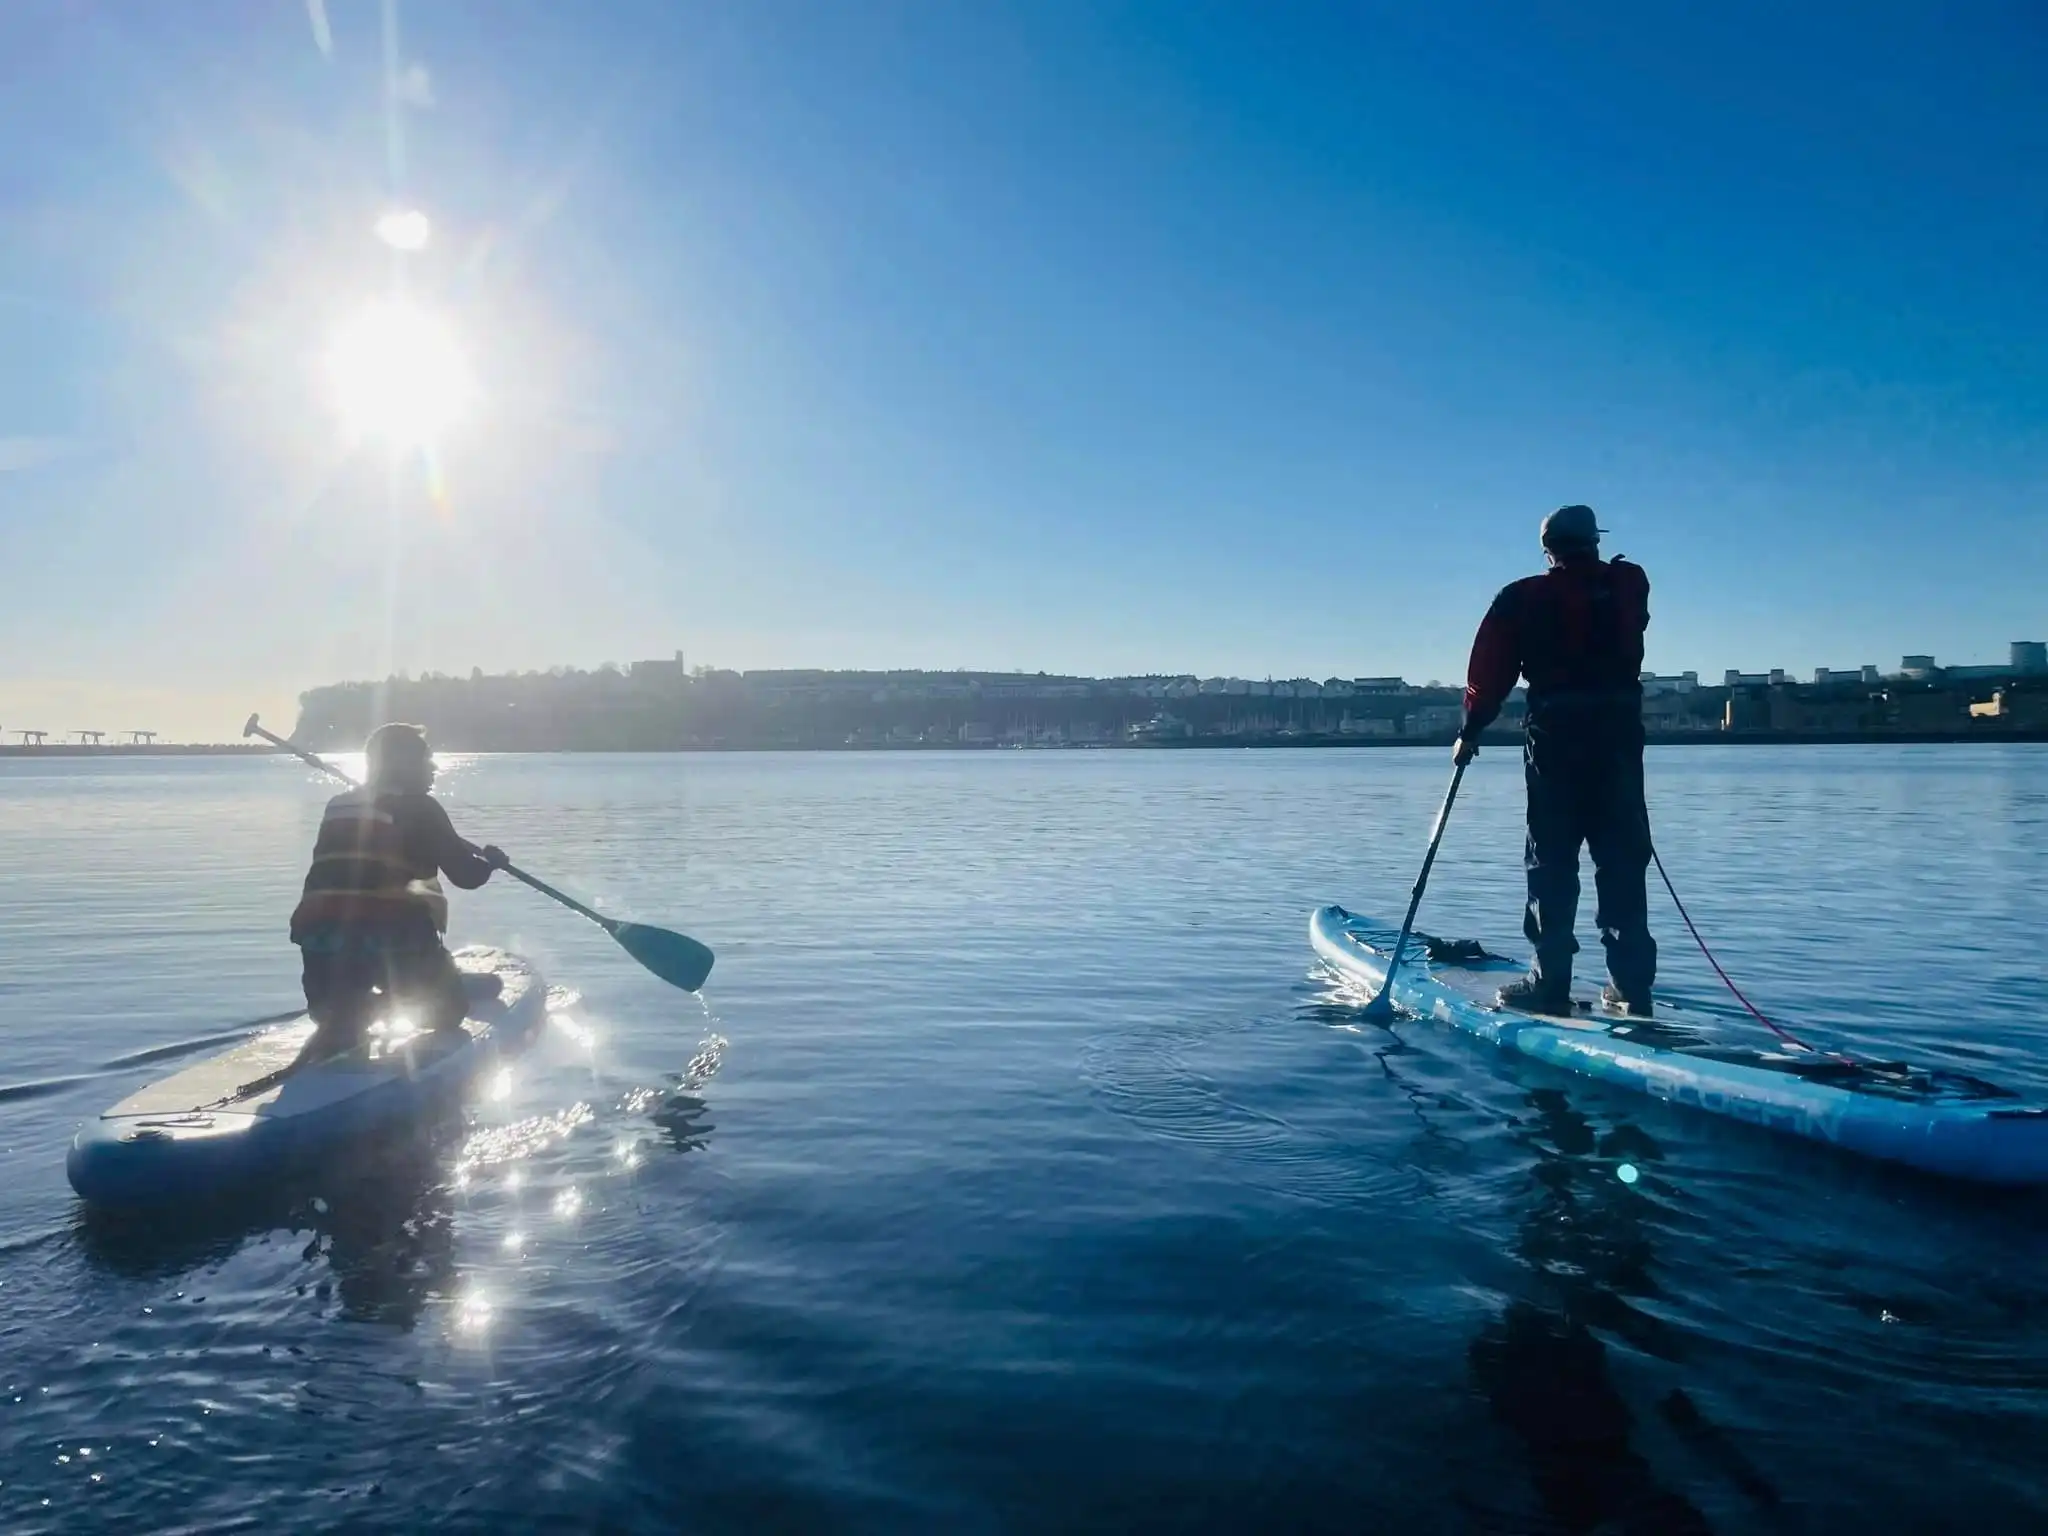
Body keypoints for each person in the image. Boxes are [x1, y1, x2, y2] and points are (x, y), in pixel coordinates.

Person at [1453, 505, 1656, 1017]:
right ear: (1593, 542)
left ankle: (1550, 984)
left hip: (1557, 742)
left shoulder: (1522, 598)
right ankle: (1631, 987)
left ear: (1548, 550)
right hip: (1618, 742)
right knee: (1622, 861)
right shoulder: (1629, 584)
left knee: (1552, 861)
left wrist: (1471, 731)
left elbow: (1489, 671)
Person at [287, 722, 509, 1066]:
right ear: (404, 765)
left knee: (332, 1008)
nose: (434, 768)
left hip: (320, 946)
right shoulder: (422, 808)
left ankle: (347, 1009)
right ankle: (372, 1006)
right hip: (391, 943)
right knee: (450, 1013)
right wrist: (492, 862)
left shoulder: (338, 805)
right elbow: (466, 876)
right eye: (426, 759)